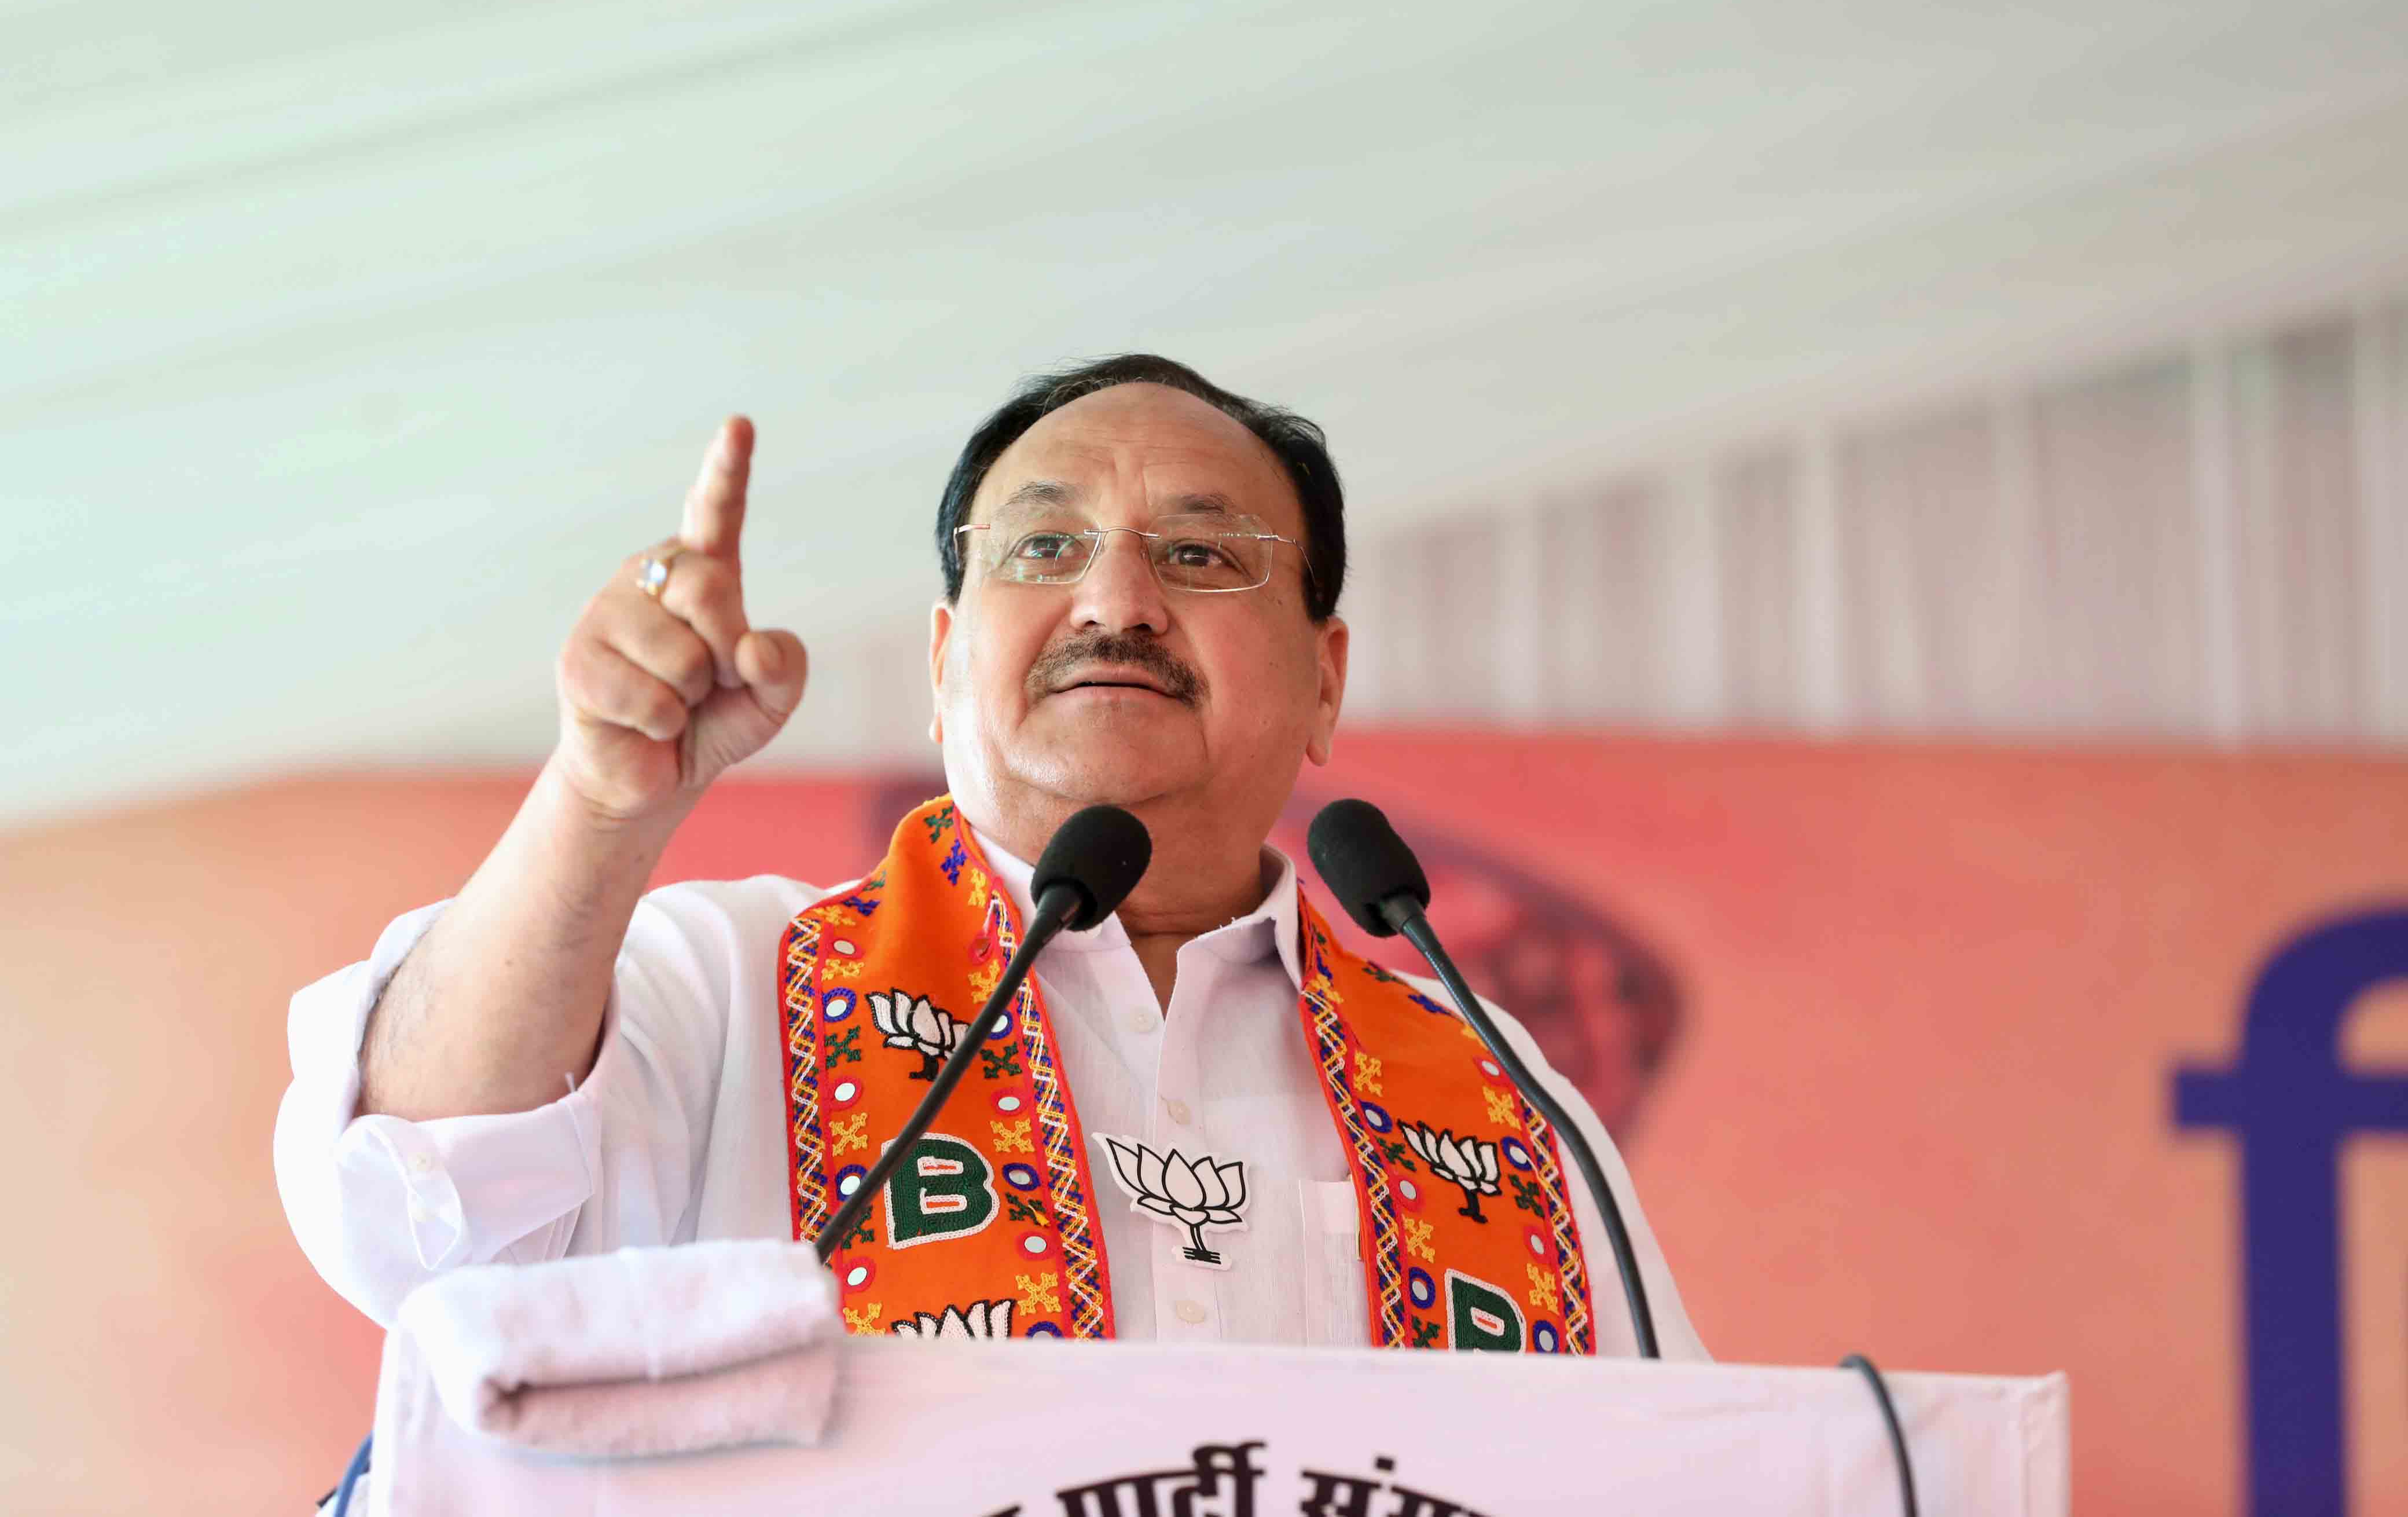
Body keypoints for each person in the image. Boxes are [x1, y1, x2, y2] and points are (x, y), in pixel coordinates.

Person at [275, 354, 1706, 1358]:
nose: (1116, 600)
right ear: (948, 665)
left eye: (1203, 557)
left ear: (1324, 680)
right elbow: (414, 1209)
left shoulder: (1503, 1092)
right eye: (1041, 549)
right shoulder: (733, 983)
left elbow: (1690, 1466)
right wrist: (597, 801)